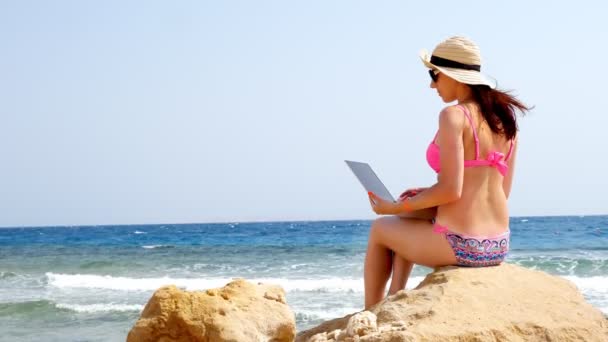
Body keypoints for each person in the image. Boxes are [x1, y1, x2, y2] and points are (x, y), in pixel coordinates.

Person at [363, 36, 531, 309]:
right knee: (408, 218)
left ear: (455, 76)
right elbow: (502, 192)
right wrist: (420, 199)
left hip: (462, 245)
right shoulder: (505, 122)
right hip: (497, 246)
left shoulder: (454, 116)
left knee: (381, 228)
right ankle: (394, 297)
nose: (432, 84)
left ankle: (369, 311)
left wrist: (394, 207)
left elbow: (452, 190)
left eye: (435, 75)